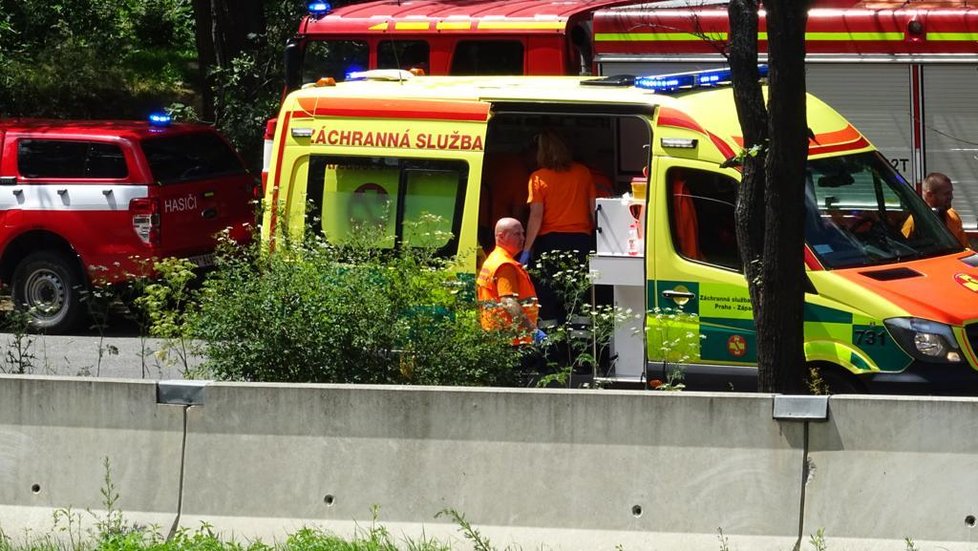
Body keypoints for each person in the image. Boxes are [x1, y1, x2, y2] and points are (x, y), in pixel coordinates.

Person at [520, 129, 596, 322]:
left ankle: (551, 346)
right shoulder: (583, 173)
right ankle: (581, 346)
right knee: (578, 295)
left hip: (550, 243)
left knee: (549, 296)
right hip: (581, 242)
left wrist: (526, 250)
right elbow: (594, 210)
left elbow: (536, 217)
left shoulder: (538, 178)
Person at [476, 217, 544, 344]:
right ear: (501, 237)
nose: (523, 238)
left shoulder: (493, 259)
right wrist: (533, 331)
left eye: (523, 234)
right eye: (517, 234)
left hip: (499, 337)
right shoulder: (505, 265)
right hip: (513, 341)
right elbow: (508, 302)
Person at [901, 172, 969, 247]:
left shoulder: (953, 215)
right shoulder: (915, 221)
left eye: (951, 193)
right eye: (946, 194)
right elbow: (904, 248)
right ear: (929, 195)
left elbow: (964, 246)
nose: (951, 197)